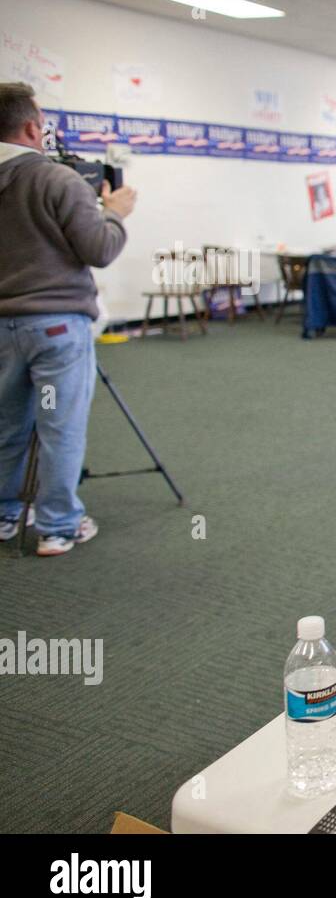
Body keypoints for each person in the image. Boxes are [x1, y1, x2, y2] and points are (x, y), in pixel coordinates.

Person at [0, 81, 137, 555]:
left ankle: (6, 513)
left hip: (3, 326)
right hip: (57, 324)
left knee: (8, 424)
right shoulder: (57, 179)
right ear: (33, 126)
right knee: (60, 424)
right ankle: (59, 526)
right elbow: (99, 249)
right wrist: (115, 213)